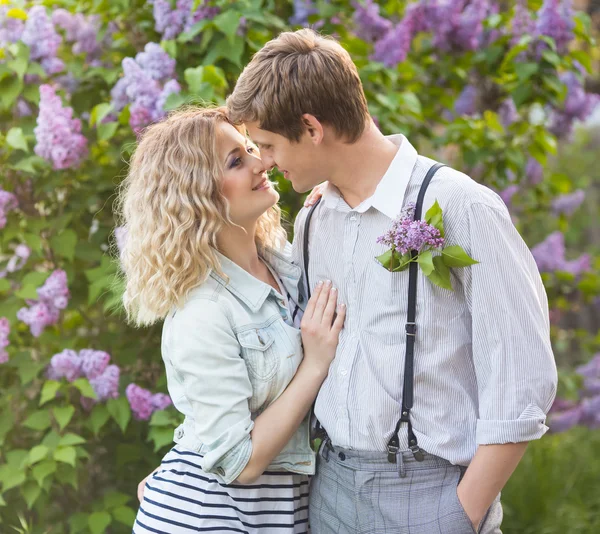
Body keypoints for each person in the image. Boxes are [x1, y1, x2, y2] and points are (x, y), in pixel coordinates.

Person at [224, 28, 558, 534]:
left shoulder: (461, 207)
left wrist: (459, 516)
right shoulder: (315, 220)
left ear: (312, 128)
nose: (265, 162)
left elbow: (521, 378)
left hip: (431, 498)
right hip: (329, 494)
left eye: (268, 144)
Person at [118, 106, 345, 534]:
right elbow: (240, 462)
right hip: (205, 519)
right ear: (198, 194)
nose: (262, 163)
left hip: (275, 516)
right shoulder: (200, 312)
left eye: (250, 149)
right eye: (236, 161)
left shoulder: (291, 267)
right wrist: (315, 365)